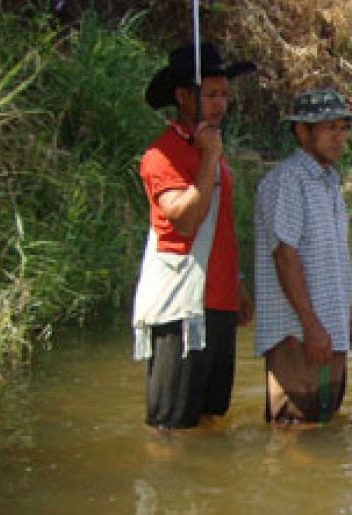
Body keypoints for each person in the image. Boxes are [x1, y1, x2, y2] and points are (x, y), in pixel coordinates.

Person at [133, 42, 255, 430]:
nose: (220, 104)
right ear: (183, 96)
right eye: (211, 94)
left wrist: (236, 285)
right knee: (171, 424)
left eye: (224, 95)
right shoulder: (162, 155)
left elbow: (220, 226)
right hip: (181, 304)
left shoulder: (210, 149)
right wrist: (206, 160)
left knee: (211, 416)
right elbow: (185, 222)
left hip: (217, 300)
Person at [253, 88, 352, 425]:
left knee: (321, 423)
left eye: (342, 127)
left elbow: (336, 261)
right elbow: (284, 256)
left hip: (328, 329)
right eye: (328, 127)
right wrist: (310, 325)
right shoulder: (288, 180)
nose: (339, 136)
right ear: (302, 131)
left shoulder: (329, 183)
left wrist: (351, 318)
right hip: (298, 333)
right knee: (293, 429)